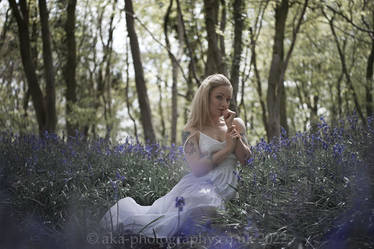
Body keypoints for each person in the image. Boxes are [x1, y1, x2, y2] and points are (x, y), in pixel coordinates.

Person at [100, 74, 251, 238]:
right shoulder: (192, 131)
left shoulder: (236, 123)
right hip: (200, 187)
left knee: (209, 212)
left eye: (227, 99)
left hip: (227, 189)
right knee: (199, 205)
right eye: (219, 97)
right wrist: (226, 149)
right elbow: (198, 169)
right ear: (205, 98)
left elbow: (246, 160)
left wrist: (233, 134)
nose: (224, 104)